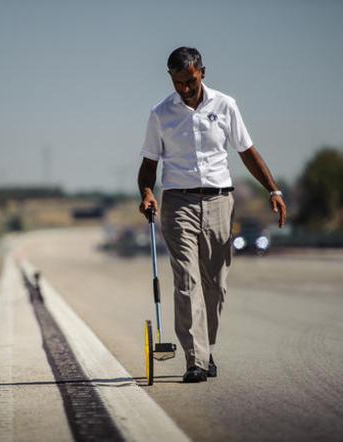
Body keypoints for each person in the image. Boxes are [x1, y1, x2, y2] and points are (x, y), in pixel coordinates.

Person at [137, 46, 286, 383]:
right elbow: (148, 166)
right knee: (186, 280)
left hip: (220, 202)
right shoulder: (161, 114)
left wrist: (273, 190)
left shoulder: (225, 105)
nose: (185, 88)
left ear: (202, 72)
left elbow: (247, 152)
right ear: (170, 79)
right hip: (178, 203)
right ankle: (195, 360)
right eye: (178, 83)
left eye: (189, 81)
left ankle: (206, 347)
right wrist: (147, 192)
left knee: (215, 285)